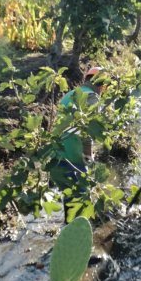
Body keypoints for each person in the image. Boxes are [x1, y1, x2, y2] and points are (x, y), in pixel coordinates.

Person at [51, 66, 106, 220]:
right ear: (101, 84)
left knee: (69, 194)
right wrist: (88, 154)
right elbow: (87, 129)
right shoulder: (92, 97)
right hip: (73, 152)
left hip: (58, 151)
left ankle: (68, 227)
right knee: (81, 194)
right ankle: (79, 231)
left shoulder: (70, 94)